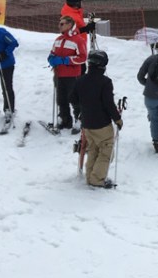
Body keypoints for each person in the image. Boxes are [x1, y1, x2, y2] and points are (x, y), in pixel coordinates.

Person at [69, 50, 123, 189]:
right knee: (105, 151)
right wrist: (117, 119)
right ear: (103, 65)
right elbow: (108, 103)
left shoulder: (80, 80)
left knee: (93, 149)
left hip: (87, 122)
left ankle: (90, 176)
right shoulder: (105, 82)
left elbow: (72, 99)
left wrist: (83, 107)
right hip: (102, 124)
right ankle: (97, 179)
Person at [47, 15, 87, 132]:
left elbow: (83, 57)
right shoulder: (58, 39)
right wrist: (51, 59)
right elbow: (52, 52)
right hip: (59, 74)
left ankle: (79, 120)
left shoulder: (78, 40)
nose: (59, 26)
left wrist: (66, 60)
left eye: (62, 24)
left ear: (70, 25)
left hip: (72, 75)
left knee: (74, 99)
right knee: (61, 99)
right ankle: (65, 119)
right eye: (59, 23)